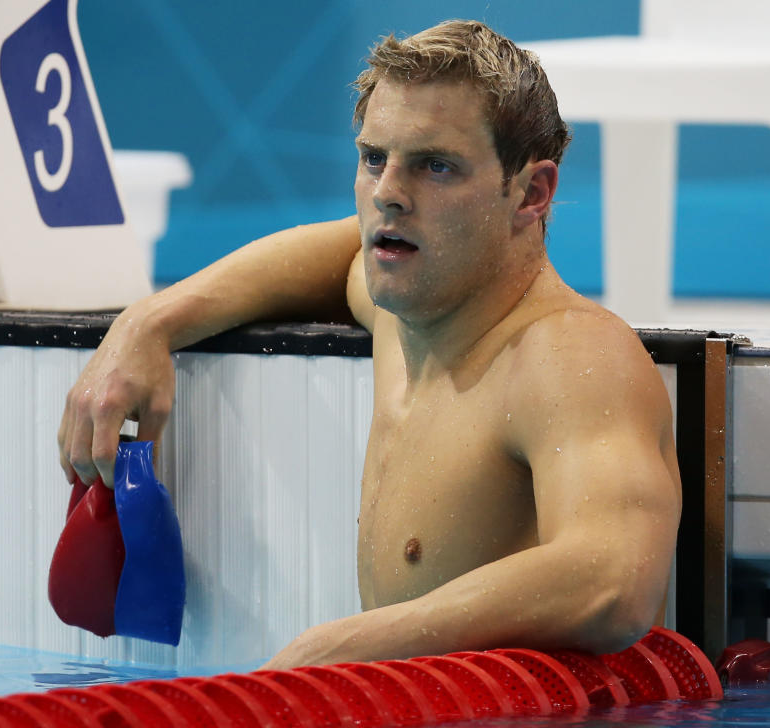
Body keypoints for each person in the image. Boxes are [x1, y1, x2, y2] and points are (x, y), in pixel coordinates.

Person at [58, 20, 681, 669]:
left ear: (530, 192)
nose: (387, 192)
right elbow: (326, 254)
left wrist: (342, 646)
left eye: (435, 166)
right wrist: (144, 325)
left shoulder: (566, 357)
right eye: (373, 158)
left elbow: (614, 579)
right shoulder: (409, 309)